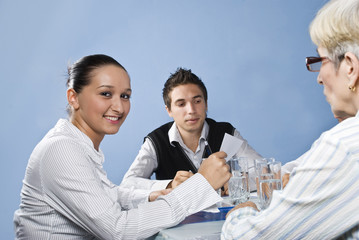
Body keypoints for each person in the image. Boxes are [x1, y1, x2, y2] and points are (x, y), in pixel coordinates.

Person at [13, 54, 231, 239]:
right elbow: (119, 230)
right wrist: (201, 184)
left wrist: (154, 194)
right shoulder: (62, 150)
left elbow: (107, 194)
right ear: (74, 98)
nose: (118, 106)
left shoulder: (78, 146)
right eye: (106, 93)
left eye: (125, 96)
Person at [222, 0, 359, 238]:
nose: (318, 79)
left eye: (320, 61)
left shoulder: (345, 145)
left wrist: (241, 212)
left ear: (350, 67)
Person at [121, 68, 262, 193]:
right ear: (169, 110)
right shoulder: (156, 141)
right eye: (181, 104)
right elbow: (127, 185)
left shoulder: (227, 133)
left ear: (206, 104)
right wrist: (169, 185)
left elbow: (264, 172)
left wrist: (235, 183)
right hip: (179, 219)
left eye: (197, 101)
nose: (191, 110)